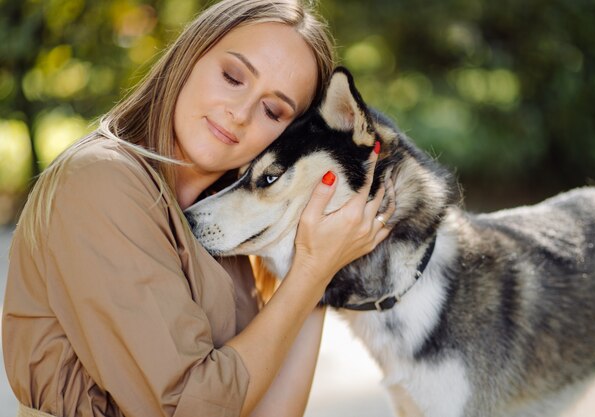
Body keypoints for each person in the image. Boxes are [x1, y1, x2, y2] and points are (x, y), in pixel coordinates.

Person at [2, 1, 394, 417]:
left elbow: (271, 411)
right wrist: (311, 272)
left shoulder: (229, 229)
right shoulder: (100, 180)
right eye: (232, 77)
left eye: (272, 110)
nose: (240, 114)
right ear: (190, 56)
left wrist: (318, 272)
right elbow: (188, 408)